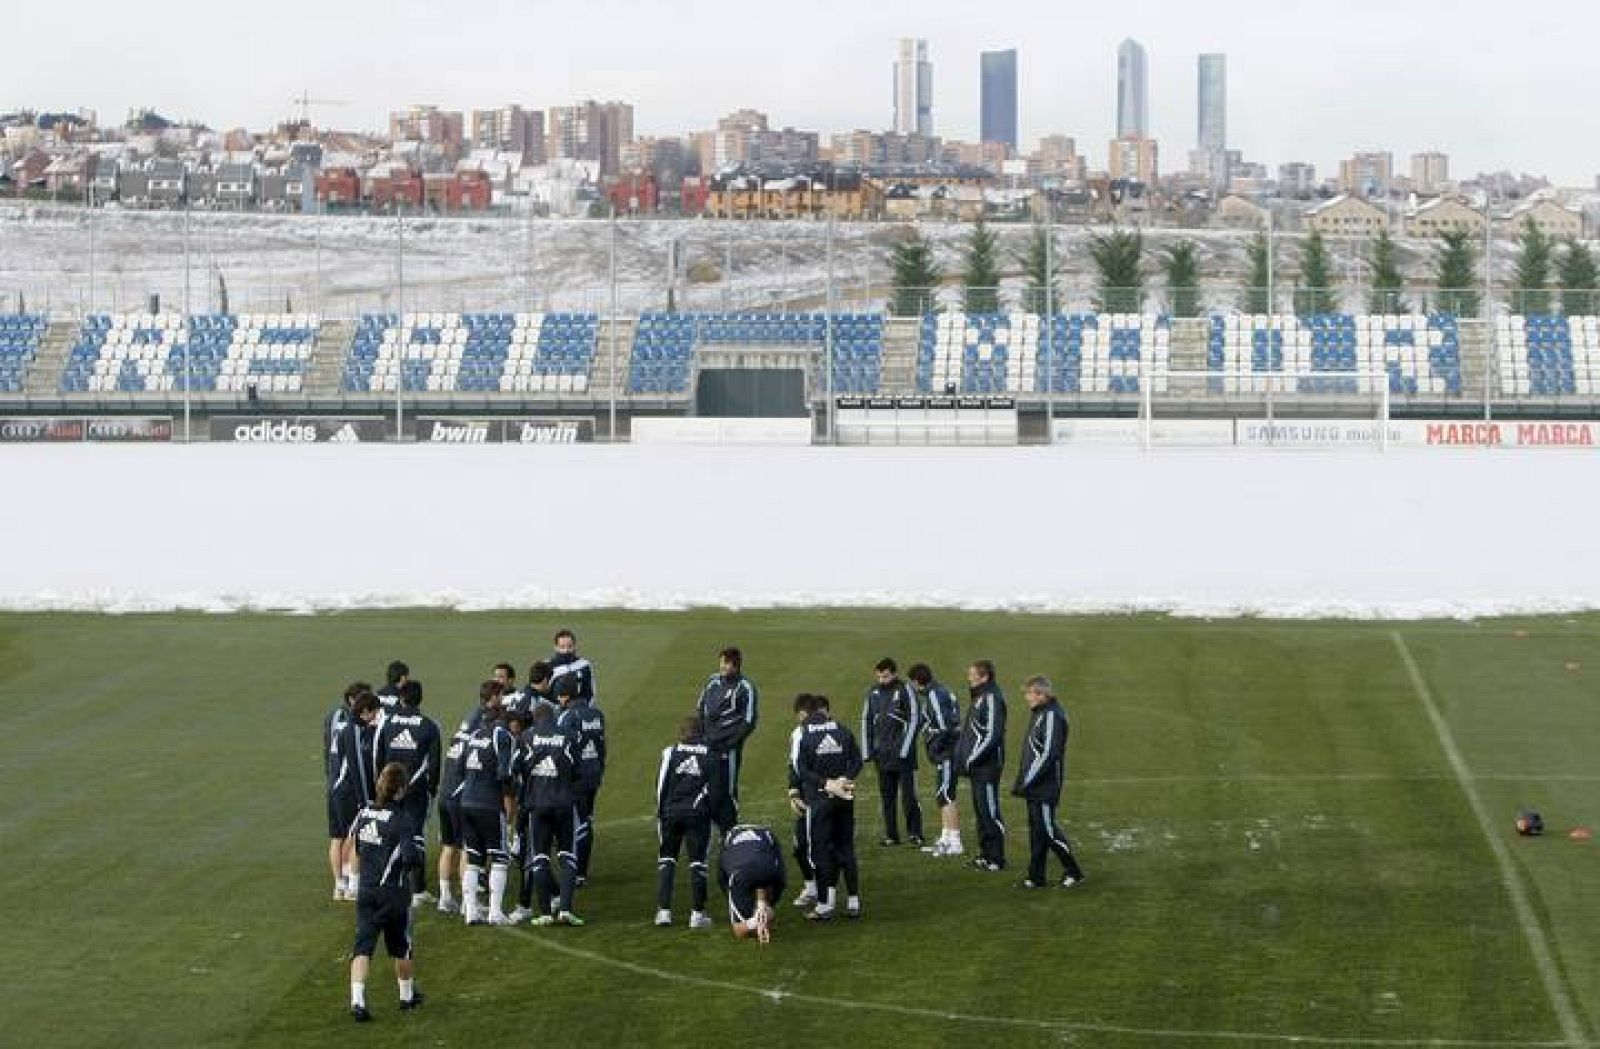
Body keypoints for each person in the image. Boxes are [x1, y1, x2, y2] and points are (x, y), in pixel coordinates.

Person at [347, 761, 425, 1022]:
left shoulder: (365, 812)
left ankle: (357, 1000)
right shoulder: (402, 819)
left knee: (363, 948)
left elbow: (357, 850)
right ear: (401, 789)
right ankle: (406, 996)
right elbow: (412, 858)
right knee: (401, 946)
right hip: (393, 892)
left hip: (366, 891)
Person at [452, 683, 518, 925]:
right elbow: (504, 772)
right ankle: (495, 912)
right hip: (489, 803)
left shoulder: (474, 735)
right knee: (500, 858)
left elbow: (459, 768)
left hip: (466, 802)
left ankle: (471, 911)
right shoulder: (502, 735)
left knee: (475, 859)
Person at [793, 693, 863, 921]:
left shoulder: (806, 735)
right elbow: (857, 760)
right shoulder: (842, 730)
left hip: (819, 800)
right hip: (845, 797)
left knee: (819, 853)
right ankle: (854, 901)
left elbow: (801, 770)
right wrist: (844, 780)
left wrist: (826, 783)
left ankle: (824, 904)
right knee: (846, 848)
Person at [1013, 676, 1087, 890]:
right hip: (1035, 783)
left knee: (1047, 830)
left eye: (1029, 694)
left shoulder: (1052, 716)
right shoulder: (1042, 713)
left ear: (1041, 694)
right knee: (1037, 831)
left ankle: (1074, 871)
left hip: (1044, 784)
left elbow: (1048, 754)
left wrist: (1027, 780)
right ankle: (1036, 877)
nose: (1026, 698)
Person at [373, 680, 442, 905]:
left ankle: (388, 882)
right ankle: (417, 889)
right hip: (416, 790)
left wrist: (381, 785)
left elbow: (378, 756)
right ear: (420, 698)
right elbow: (434, 763)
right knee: (416, 834)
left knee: (388, 832)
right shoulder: (429, 726)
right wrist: (432, 788)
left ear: (401, 698)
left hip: (389, 788)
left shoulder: (387, 722)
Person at [436, 680, 502, 914]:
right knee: (467, 849)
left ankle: (444, 897)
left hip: (445, 794)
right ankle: (467, 903)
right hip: (459, 797)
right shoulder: (481, 729)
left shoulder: (462, 730)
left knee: (448, 846)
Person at [516, 705, 585, 926]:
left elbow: (518, 770)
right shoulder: (569, 736)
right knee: (567, 856)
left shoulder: (526, 737)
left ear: (535, 719)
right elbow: (578, 770)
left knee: (540, 858)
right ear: (553, 717)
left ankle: (545, 912)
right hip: (563, 803)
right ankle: (565, 909)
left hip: (537, 804)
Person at [654, 715, 720, 928]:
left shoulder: (670, 753)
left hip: (670, 813)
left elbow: (661, 785)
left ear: (681, 734)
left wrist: (661, 811)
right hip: (698, 815)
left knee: (667, 860)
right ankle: (697, 915)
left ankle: (664, 912)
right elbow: (716, 792)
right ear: (701, 734)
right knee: (698, 863)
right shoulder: (711, 755)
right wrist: (711, 814)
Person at [697, 646, 759, 839]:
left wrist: (731, 743)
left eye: (726, 662)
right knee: (705, 787)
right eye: (721, 662)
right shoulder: (712, 681)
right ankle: (708, 825)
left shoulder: (745, 687)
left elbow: (749, 721)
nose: (722, 666)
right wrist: (701, 736)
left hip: (728, 749)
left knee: (728, 790)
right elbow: (700, 707)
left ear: (735, 665)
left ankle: (730, 831)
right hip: (707, 745)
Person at [861, 657, 923, 847]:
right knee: (887, 797)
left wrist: (905, 749)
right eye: (879, 676)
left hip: (903, 755)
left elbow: (915, 719)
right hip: (882, 754)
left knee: (909, 796)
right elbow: (866, 720)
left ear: (894, 674)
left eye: (885, 676)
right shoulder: (872, 693)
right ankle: (891, 835)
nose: (882, 680)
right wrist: (867, 750)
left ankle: (915, 834)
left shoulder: (906, 690)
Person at [957, 659, 1007, 872]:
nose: (969, 677)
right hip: (978, 766)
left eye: (972, 673)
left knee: (990, 812)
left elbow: (993, 735)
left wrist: (971, 758)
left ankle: (997, 858)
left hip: (987, 766)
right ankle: (986, 855)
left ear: (984, 677)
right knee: (981, 811)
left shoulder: (992, 698)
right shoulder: (981, 697)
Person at [910, 663, 964, 857]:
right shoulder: (942, 690)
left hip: (948, 752)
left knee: (946, 794)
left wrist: (935, 747)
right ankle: (945, 838)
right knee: (942, 794)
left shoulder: (934, 695)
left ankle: (955, 842)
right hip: (949, 750)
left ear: (917, 681)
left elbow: (944, 726)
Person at [556, 676, 606, 885]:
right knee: (587, 820)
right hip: (593, 774)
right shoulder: (597, 714)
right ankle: (582, 872)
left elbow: (562, 749)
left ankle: (573, 870)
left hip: (574, 777)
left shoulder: (567, 717)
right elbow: (602, 746)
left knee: (572, 822)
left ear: (565, 696)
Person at [325, 681, 371, 900]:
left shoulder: (336, 723)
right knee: (355, 835)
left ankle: (339, 885)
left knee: (337, 837)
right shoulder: (353, 729)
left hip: (333, 787)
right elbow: (356, 765)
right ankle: (353, 884)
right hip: (348, 790)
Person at [718, 824, 787, 943]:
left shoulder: (728, 839)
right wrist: (765, 904)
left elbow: (722, 879)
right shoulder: (768, 834)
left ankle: (757, 920)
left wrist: (737, 899)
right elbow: (778, 868)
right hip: (770, 870)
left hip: (741, 874)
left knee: (739, 931)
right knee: (763, 890)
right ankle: (764, 914)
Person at [785, 694, 820, 909]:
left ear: (802, 714)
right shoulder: (797, 734)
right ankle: (812, 886)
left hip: (821, 796)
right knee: (800, 846)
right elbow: (793, 766)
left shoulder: (828, 731)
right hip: (806, 795)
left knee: (824, 846)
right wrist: (793, 792)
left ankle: (826, 892)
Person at [549, 628, 597, 705]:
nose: (566, 650)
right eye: (562, 647)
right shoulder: (548, 666)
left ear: (575, 646)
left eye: (569, 646)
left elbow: (590, 692)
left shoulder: (584, 665)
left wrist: (584, 709)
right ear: (556, 647)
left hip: (579, 710)